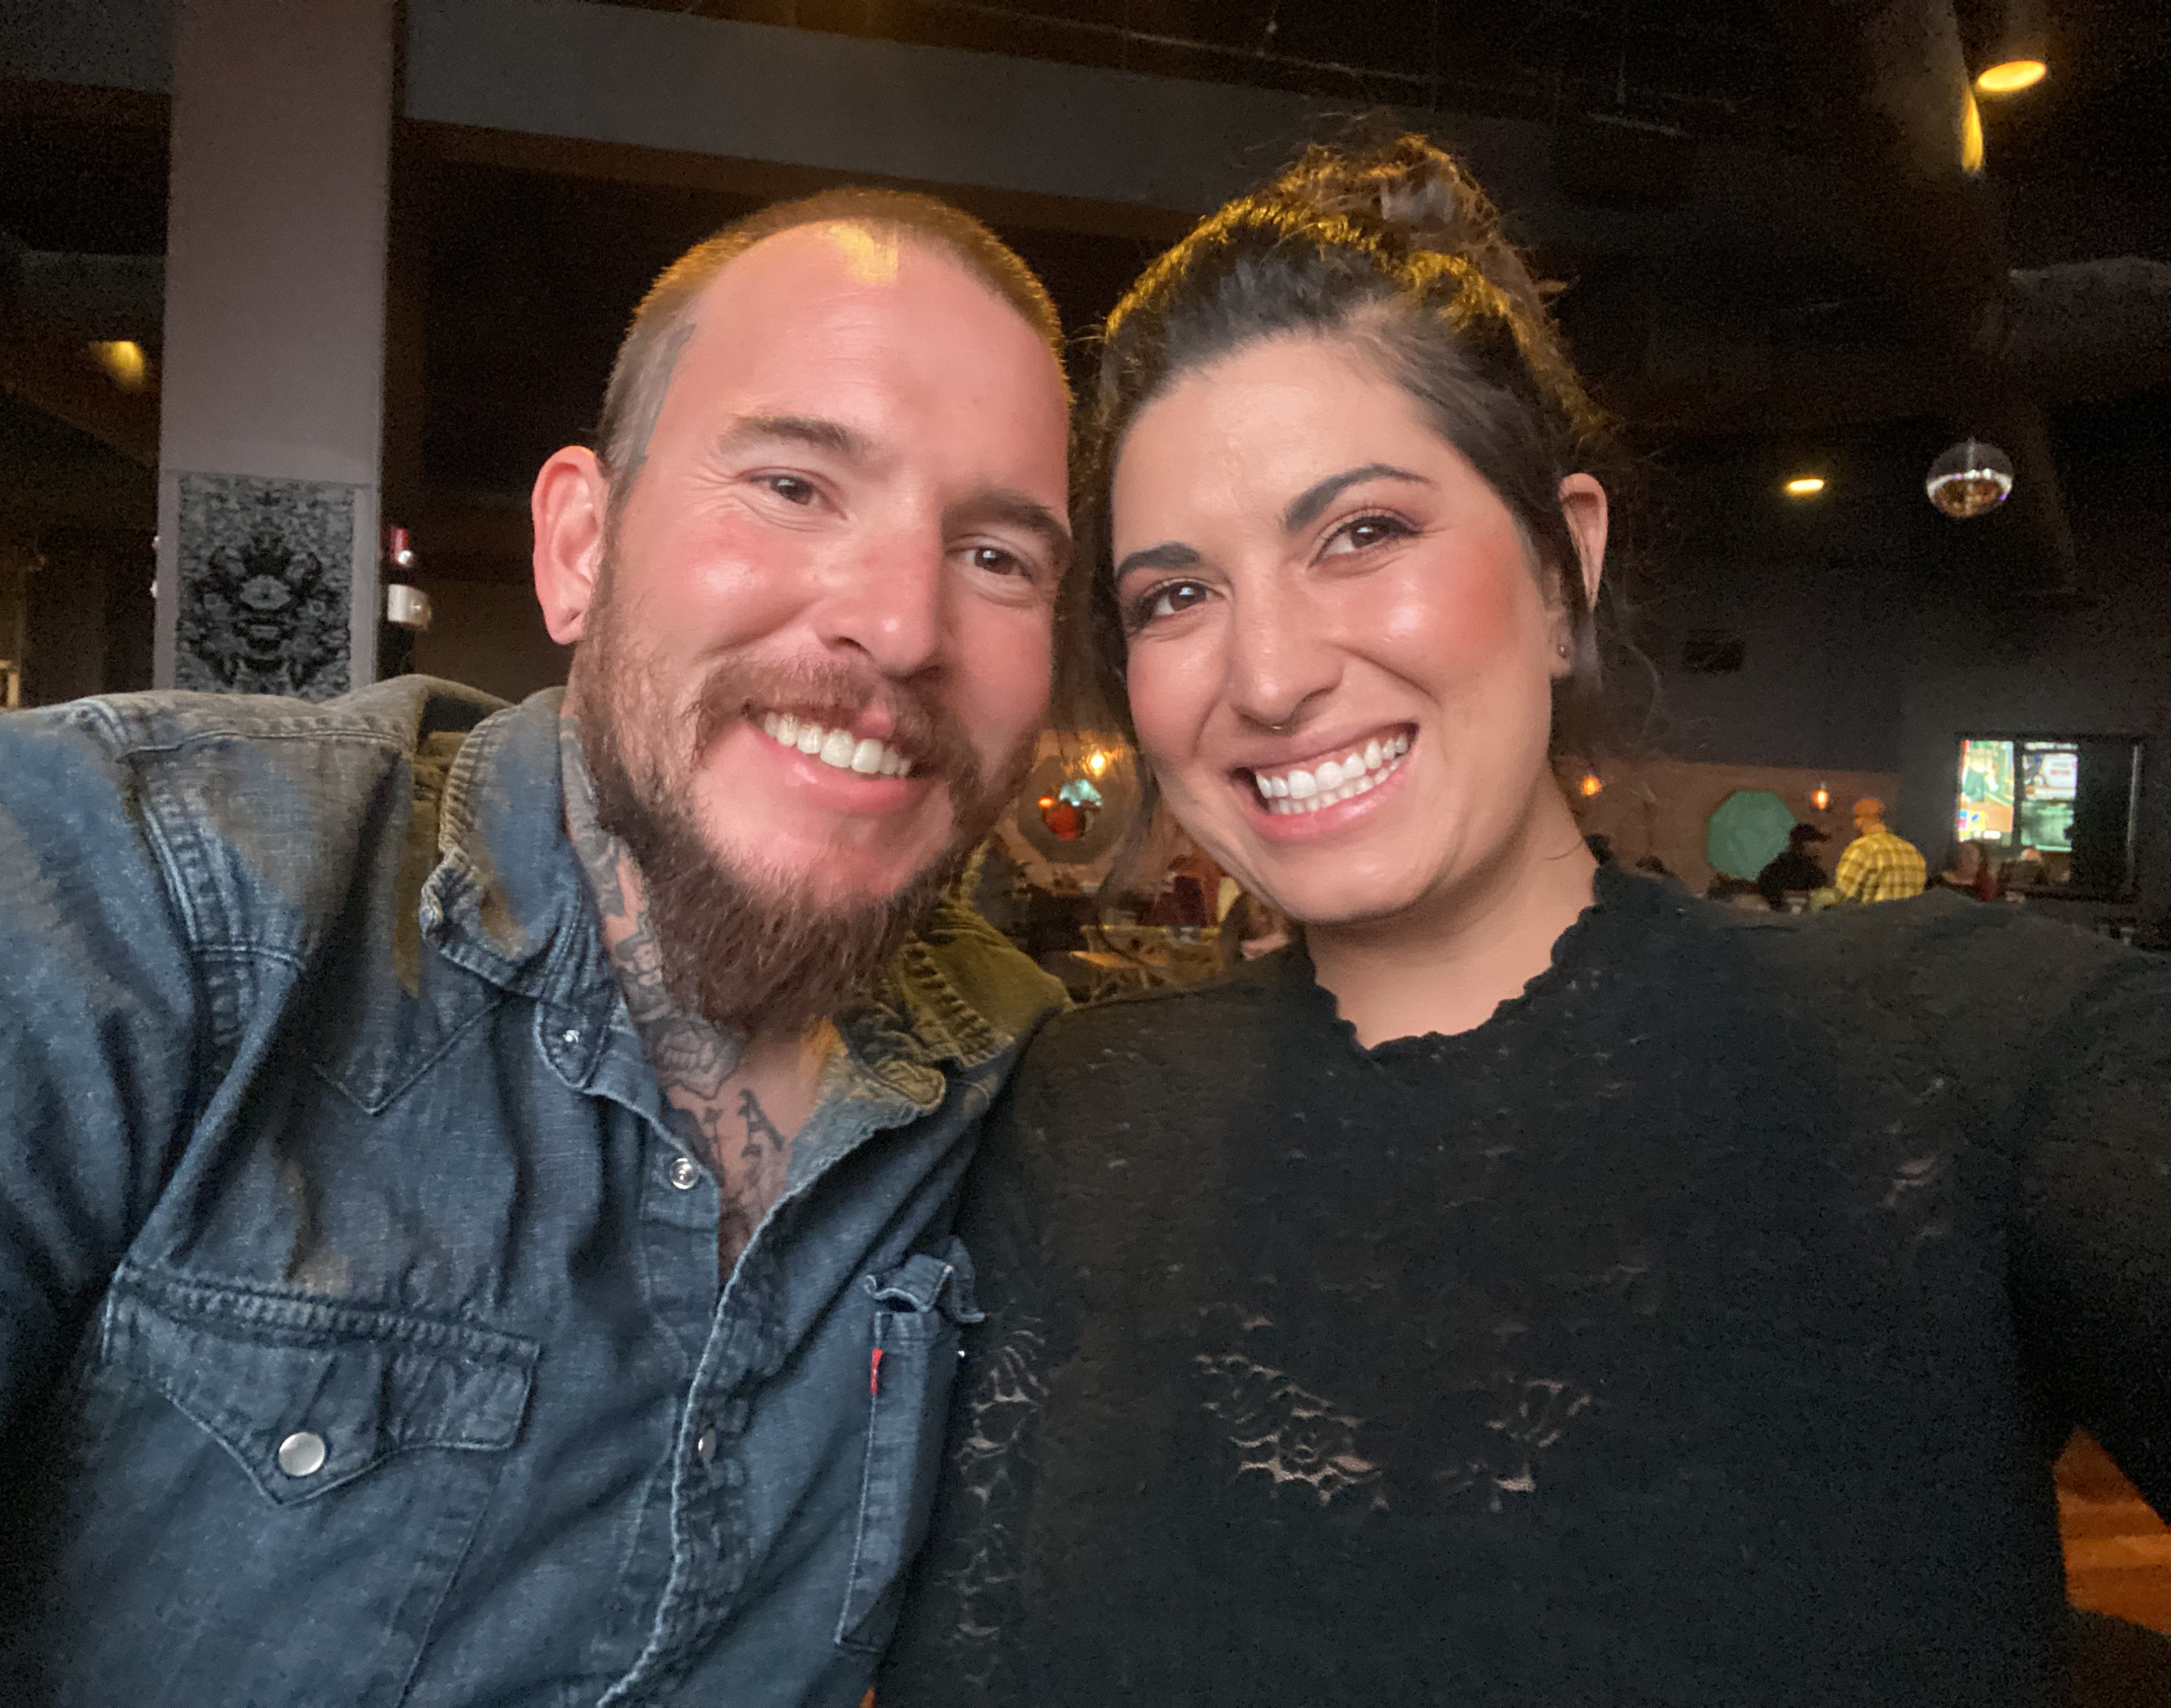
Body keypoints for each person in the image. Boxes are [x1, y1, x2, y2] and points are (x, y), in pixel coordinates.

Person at [877, 133, 2171, 1705]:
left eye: (1362, 532)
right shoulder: (1074, 1113)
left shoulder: (1971, 1052)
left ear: (1563, 567)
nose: (1267, 676)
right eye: (1176, 596)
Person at [0, 188, 1073, 1707]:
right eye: (793, 484)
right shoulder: (125, 880)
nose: (903, 626)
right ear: (579, 545)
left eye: (997, 556)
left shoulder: (1028, 1087)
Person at [1835, 795, 1928, 903]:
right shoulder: (1912, 851)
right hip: (1910, 914)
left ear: (1859, 821)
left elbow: (1842, 896)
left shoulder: (1863, 849)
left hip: (1873, 914)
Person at [1754, 821, 1832, 910]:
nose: (1818, 847)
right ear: (1801, 844)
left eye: (1819, 842)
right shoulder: (1805, 870)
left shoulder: (1777, 866)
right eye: (1812, 841)